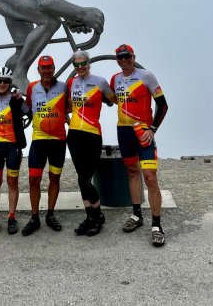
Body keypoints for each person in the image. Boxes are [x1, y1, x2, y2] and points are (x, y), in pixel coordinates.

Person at [110, 44, 168, 247]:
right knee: (132, 172)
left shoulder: (146, 76)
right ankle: (137, 215)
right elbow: (111, 100)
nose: (124, 60)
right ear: (117, 60)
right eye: (120, 57)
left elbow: (163, 105)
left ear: (133, 57)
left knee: (150, 177)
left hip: (143, 132)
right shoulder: (115, 79)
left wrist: (152, 129)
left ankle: (157, 224)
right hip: (124, 131)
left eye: (127, 57)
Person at [67, 50, 116, 237]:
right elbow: (67, 103)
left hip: (92, 135)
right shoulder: (71, 83)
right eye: (76, 65)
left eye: (83, 63)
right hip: (73, 135)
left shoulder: (100, 81)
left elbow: (115, 100)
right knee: (81, 179)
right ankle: (91, 217)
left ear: (89, 63)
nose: (80, 67)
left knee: (86, 179)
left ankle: (97, 216)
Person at [21, 55, 67, 236]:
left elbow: (72, 104)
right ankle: (34, 217)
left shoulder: (64, 87)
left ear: (54, 68)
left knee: (54, 178)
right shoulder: (32, 87)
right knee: (34, 179)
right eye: (43, 68)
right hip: (39, 139)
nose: (46, 71)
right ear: (38, 70)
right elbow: (26, 107)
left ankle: (50, 214)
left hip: (58, 140)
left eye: (49, 68)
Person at [0, 67, 30, 234]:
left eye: (6, 81)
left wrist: (21, 98)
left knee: (12, 183)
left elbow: (30, 114)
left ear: (10, 84)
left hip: (13, 146)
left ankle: (11, 217)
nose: (2, 84)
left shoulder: (16, 99)